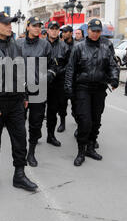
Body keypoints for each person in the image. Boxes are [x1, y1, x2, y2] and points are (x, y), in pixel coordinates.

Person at [0, 11, 38, 192]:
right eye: (6, 23)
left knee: (20, 139)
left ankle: (19, 174)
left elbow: (20, 72)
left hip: (16, 102)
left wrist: (25, 95)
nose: (11, 26)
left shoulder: (17, 45)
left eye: (11, 23)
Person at [65, 19, 119, 167]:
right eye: (93, 30)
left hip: (99, 89)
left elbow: (112, 65)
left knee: (96, 120)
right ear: (87, 31)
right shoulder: (79, 47)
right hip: (82, 88)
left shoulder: (106, 47)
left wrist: (114, 79)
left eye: (98, 31)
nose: (95, 33)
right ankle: (81, 151)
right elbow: (71, 69)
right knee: (85, 121)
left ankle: (90, 147)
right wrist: (69, 87)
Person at [17, 17, 56, 167]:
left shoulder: (45, 45)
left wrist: (47, 77)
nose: (37, 28)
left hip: (38, 90)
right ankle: (20, 151)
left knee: (36, 123)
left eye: (39, 26)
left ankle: (31, 152)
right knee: (19, 123)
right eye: (34, 26)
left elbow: (52, 66)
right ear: (27, 27)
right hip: (20, 91)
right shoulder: (17, 44)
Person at [46, 21, 71, 148]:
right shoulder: (41, 44)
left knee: (53, 111)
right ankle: (35, 135)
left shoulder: (64, 46)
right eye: (52, 28)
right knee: (37, 112)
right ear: (48, 30)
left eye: (57, 29)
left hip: (57, 83)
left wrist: (58, 72)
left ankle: (51, 135)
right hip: (41, 82)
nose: (55, 31)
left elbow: (69, 64)